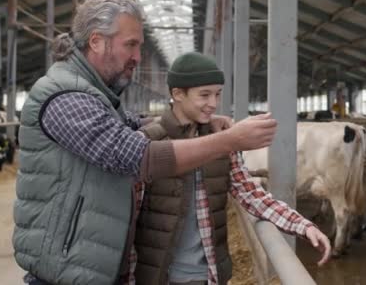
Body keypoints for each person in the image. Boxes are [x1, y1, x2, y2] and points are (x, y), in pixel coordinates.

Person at [12, 0, 277, 285]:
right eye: (131, 45)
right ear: (97, 41)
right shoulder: (65, 96)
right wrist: (231, 140)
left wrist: (194, 119)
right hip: (64, 272)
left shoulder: (98, 95)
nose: (138, 56)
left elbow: (133, 124)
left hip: (91, 268)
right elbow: (137, 156)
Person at [132, 52, 331, 285]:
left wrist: (302, 225)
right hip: (160, 277)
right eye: (204, 95)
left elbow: (250, 193)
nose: (214, 104)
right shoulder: (147, 145)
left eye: (217, 94)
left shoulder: (223, 141)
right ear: (177, 94)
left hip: (211, 276)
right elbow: (128, 218)